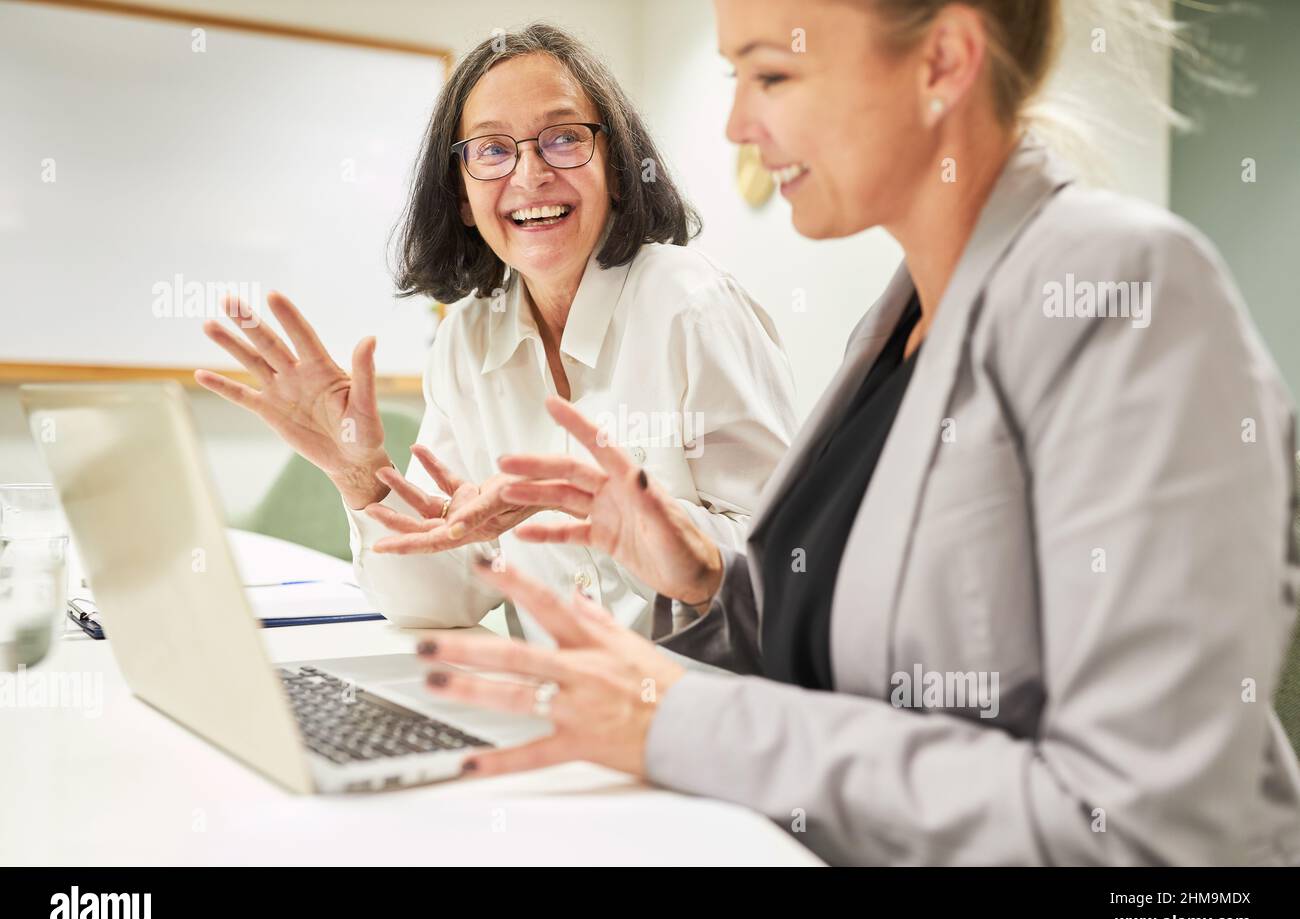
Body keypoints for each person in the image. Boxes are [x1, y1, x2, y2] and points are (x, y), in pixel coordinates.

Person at [404, 0, 1300, 865]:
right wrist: (705, 571)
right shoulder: (895, 321)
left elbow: (1149, 829)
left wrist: (681, 720)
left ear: (942, 63)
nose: (736, 127)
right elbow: (847, 652)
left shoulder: (1125, 292)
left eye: (773, 73)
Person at [195, 23, 797, 642]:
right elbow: (435, 601)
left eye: (564, 139)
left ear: (617, 170)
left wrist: (602, 505)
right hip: (550, 707)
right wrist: (362, 477)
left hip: (700, 707)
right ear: (460, 195)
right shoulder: (467, 340)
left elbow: (790, 563)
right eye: (491, 150)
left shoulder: (689, 304)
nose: (530, 174)